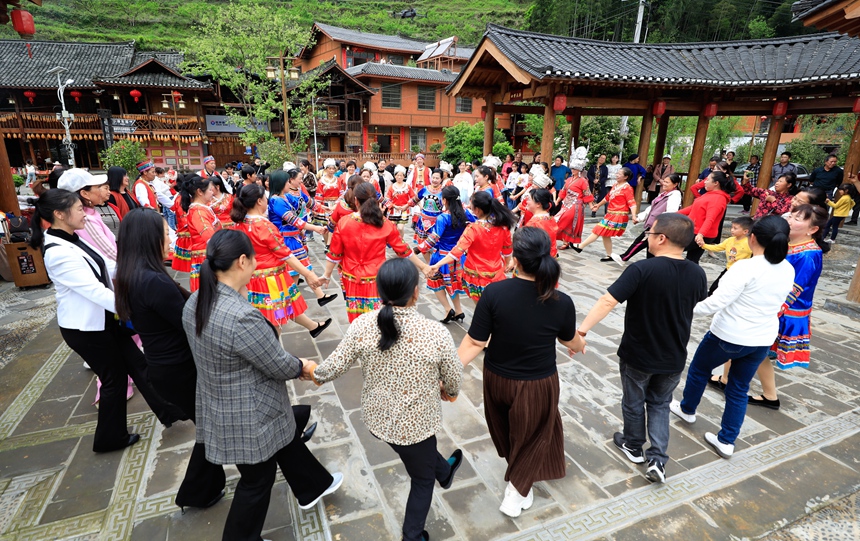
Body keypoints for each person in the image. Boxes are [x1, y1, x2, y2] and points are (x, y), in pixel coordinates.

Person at [182, 230, 342, 540]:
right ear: (242, 261)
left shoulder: (196, 300)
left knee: (284, 440)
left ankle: (312, 487)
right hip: (249, 412)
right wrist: (306, 367)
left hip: (218, 400)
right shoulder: (240, 316)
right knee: (257, 480)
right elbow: (277, 364)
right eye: (254, 258)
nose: (256, 264)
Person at [309, 258, 463, 541]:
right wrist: (449, 392)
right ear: (416, 292)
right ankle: (412, 536)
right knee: (421, 478)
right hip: (417, 424)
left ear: (379, 291)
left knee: (420, 457)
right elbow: (454, 378)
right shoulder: (435, 333)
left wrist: (311, 371)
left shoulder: (362, 325)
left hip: (378, 418)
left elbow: (332, 367)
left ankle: (445, 470)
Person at [32, 189, 181, 453]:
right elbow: (94, 291)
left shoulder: (73, 238)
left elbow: (106, 267)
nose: (84, 214)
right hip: (86, 329)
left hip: (106, 321)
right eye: (78, 208)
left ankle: (171, 410)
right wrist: (137, 308)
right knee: (113, 380)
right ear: (59, 214)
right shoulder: (58, 251)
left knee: (138, 364)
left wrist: (137, 271)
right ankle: (109, 438)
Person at [458, 227, 585, 516]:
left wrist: (449, 371)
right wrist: (581, 342)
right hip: (536, 383)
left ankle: (518, 477)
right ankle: (515, 493)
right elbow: (569, 339)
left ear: (514, 259)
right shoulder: (560, 300)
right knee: (534, 434)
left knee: (510, 429)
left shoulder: (494, 292)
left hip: (496, 379)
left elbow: (476, 341)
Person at [578, 213, 706, 482]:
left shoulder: (641, 269)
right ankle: (658, 459)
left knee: (634, 401)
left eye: (649, 233)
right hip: (673, 354)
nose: (647, 238)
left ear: (661, 238)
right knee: (660, 403)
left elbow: (607, 301)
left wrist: (581, 330)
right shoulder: (697, 273)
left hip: (639, 353)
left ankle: (633, 445)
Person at [114, 208, 227, 511]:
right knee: (214, 426)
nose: (172, 237)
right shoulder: (151, 280)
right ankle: (197, 491)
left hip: (167, 367)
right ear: (149, 239)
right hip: (179, 369)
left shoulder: (135, 273)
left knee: (212, 426)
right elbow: (190, 323)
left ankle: (202, 490)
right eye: (166, 233)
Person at [671, 216, 795, 459]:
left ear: (753, 238)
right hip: (761, 338)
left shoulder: (746, 267)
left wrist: (682, 309)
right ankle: (727, 440)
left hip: (729, 335)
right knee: (738, 388)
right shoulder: (787, 268)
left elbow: (716, 302)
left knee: (698, 370)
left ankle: (687, 409)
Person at [748, 204, 827, 410]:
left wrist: (773, 311)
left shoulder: (809, 254)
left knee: (757, 350)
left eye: (798, 219)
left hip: (785, 311)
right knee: (755, 351)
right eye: (791, 215)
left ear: (813, 229)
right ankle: (764, 393)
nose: (790, 220)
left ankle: (765, 393)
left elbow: (795, 288)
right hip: (774, 307)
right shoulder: (791, 244)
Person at [231, 183, 333, 337]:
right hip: (270, 279)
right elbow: (286, 254)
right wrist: (309, 274)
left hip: (251, 277)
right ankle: (275, 356)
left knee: (280, 308)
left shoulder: (241, 224)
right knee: (275, 319)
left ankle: (313, 326)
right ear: (259, 201)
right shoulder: (265, 226)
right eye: (265, 198)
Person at [322, 183, 430, 322]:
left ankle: (359, 339)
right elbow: (403, 250)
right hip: (377, 277)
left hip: (351, 276)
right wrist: (423, 266)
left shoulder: (344, 223)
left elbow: (334, 254)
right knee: (377, 316)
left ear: (355, 200)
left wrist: (326, 275)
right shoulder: (384, 223)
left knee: (357, 318)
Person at [428, 190, 515, 303]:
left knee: (480, 308)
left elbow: (457, 252)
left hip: (477, 276)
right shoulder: (503, 226)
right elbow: (507, 249)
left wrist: (437, 265)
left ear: (477, 210)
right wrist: (508, 263)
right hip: (497, 273)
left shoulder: (473, 229)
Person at [415, 185, 475, 323]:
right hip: (459, 257)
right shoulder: (466, 214)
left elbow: (434, 238)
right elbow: (475, 227)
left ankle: (448, 309)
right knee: (453, 284)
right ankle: (459, 310)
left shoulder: (443, 217)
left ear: (445, 200)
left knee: (435, 281)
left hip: (442, 257)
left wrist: (418, 249)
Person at [572, 167, 636, 265]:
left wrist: (634, 216)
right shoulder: (615, 185)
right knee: (605, 235)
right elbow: (607, 198)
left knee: (598, 229)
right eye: (617, 173)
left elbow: (632, 203)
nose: (616, 175)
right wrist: (598, 205)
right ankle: (609, 254)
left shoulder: (627, 188)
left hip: (618, 215)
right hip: (610, 214)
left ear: (625, 177)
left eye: (619, 174)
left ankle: (580, 246)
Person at [618, 173, 682, 262]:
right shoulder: (663, 194)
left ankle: (624, 257)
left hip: (659, 226)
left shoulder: (675, 195)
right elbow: (651, 208)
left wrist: (660, 223)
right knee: (650, 247)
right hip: (654, 224)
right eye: (664, 181)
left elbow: (671, 212)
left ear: (675, 184)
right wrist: (639, 218)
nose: (664, 183)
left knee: (641, 241)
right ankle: (651, 265)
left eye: (667, 182)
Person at [177, 174, 222, 291]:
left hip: (208, 253)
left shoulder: (201, 208)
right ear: (200, 192)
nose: (212, 192)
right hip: (205, 255)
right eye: (210, 190)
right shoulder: (198, 211)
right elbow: (209, 236)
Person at [678, 171, 734, 264]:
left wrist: (701, 234)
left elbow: (710, 219)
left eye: (707, 179)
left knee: (671, 249)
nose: (704, 182)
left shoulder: (718, 199)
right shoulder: (709, 194)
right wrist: (673, 214)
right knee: (692, 260)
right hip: (696, 232)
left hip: (701, 234)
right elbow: (693, 208)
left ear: (716, 183)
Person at [700, 216, 754, 296]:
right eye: (732, 227)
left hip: (741, 272)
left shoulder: (749, 243)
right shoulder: (730, 240)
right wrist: (703, 245)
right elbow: (717, 247)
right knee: (715, 287)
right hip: (729, 268)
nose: (732, 230)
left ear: (745, 231)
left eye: (735, 228)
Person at [555, 157, 593, 250]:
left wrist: (591, 205)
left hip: (576, 204)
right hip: (566, 203)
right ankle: (565, 242)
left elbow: (587, 193)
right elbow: (563, 190)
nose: (572, 170)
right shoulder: (569, 179)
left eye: (575, 169)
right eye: (572, 168)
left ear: (579, 170)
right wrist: (557, 201)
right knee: (559, 219)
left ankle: (568, 240)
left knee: (565, 219)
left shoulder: (583, 180)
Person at [313, 158, 344, 249]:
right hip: (325, 205)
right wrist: (319, 206)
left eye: (333, 168)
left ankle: (335, 244)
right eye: (329, 168)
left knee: (336, 225)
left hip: (336, 204)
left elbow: (341, 193)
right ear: (325, 169)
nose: (331, 170)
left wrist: (336, 204)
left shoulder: (338, 180)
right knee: (325, 226)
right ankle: (327, 245)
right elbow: (318, 195)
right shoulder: (321, 181)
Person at [413, 169, 445, 248]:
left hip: (437, 222)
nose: (434, 180)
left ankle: (433, 260)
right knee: (423, 245)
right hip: (423, 221)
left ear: (441, 179)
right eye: (433, 177)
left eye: (437, 178)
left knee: (435, 245)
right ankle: (428, 261)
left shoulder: (444, 191)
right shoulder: (425, 189)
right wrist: (405, 206)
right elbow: (415, 199)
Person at [525, 189, 559, 257]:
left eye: (529, 199)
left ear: (538, 204)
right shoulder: (551, 218)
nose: (526, 201)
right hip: (550, 257)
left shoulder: (533, 223)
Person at [385, 165, 417, 233]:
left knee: (400, 227)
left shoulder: (407, 186)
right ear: (395, 176)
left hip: (404, 210)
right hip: (393, 211)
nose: (399, 177)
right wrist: (394, 206)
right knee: (393, 229)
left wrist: (407, 206)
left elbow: (413, 198)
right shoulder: (391, 187)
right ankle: (395, 242)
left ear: (404, 176)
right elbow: (387, 200)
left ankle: (401, 241)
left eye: (401, 175)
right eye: (397, 175)